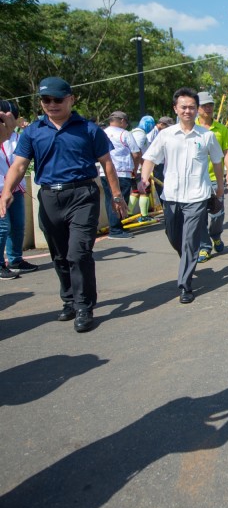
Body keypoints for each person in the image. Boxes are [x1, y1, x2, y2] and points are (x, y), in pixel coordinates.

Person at [0, 77, 128, 332]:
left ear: (71, 99)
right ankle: (69, 300)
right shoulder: (33, 131)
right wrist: (6, 193)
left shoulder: (89, 129)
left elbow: (107, 163)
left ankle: (84, 306)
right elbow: (19, 165)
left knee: (78, 252)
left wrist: (116, 195)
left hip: (82, 195)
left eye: (58, 99)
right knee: (59, 255)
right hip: (49, 197)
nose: (52, 104)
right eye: (46, 100)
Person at [140, 87, 224, 303]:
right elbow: (150, 158)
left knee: (189, 241)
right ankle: (188, 259)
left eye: (192, 107)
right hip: (171, 196)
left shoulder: (207, 136)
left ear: (197, 110)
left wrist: (220, 189)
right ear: (175, 109)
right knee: (174, 236)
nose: (188, 111)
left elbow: (217, 162)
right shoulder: (165, 135)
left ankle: (185, 285)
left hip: (198, 196)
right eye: (184, 107)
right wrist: (144, 177)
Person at [0, 100, 37, 279]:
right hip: (0, 189)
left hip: (15, 188)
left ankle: (15, 259)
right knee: (3, 227)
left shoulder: (18, 137)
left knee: (18, 226)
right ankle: (0, 263)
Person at [195, 91, 228, 263]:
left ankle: (215, 235)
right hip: (196, 179)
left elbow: (226, 152)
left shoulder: (221, 129)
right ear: (197, 108)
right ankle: (204, 247)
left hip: (215, 177)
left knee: (217, 213)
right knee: (200, 215)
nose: (208, 108)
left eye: (210, 105)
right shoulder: (191, 128)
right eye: (204, 105)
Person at [100, 110, 141, 239]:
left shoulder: (102, 133)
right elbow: (136, 153)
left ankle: (116, 227)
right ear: (122, 121)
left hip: (104, 171)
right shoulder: (125, 134)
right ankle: (116, 229)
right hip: (122, 171)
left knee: (109, 199)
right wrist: (134, 167)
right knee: (120, 200)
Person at [129, 115, 156, 220]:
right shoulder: (140, 135)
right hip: (141, 168)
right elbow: (137, 151)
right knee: (145, 191)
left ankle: (129, 213)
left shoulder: (132, 132)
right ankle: (144, 215)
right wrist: (144, 165)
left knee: (135, 191)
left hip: (133, 167)